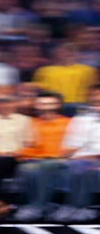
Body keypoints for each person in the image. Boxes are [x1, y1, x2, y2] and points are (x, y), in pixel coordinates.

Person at [15, 92, 70, 221]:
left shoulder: (69, 123)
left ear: (59, 105)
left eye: (50, 103)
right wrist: (27, 156)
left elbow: (75, 144)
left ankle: (39, 206)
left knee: (45, 166)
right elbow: (24, 145)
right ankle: (35, 205)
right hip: (34, 160)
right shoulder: (29, 123)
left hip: (62, 160)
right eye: (43, 103)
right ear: (36, 105)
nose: (47, 106)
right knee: (27, 169)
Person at [56, 85, 100, 222]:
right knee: (75, 166)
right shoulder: (80, 119)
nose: (97, 103)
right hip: (80, 159)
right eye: (95, 101)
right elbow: (68, 146)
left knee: (81, 167)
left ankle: (81, 207)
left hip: (91, 158)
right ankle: (72, 206)